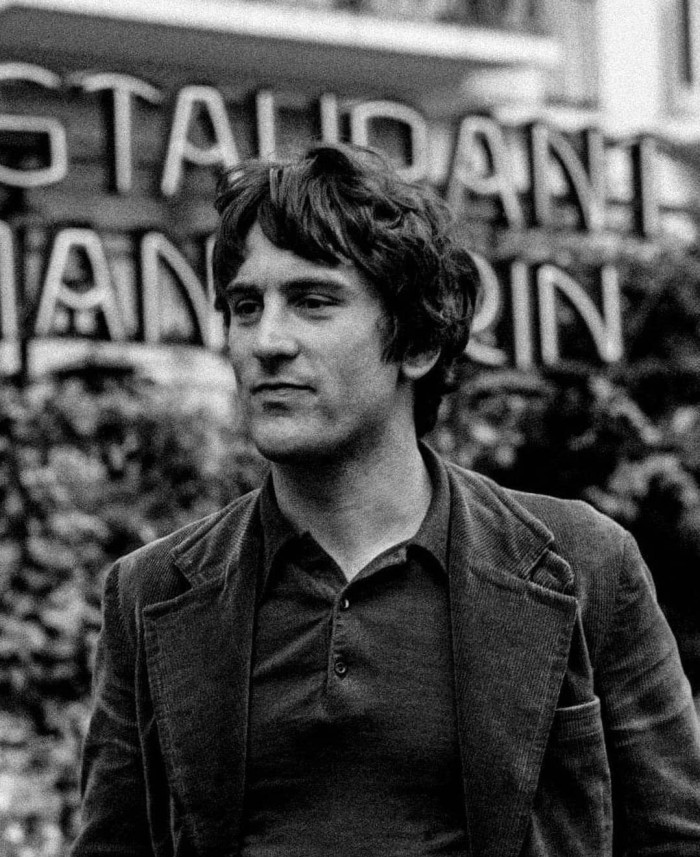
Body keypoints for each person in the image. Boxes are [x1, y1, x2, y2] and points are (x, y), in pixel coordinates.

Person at [72, 143, 700, 857]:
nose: (266, 341)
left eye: (312, 302)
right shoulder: (152, 593)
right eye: (246, 307)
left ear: (418, 342)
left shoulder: (585, 564)